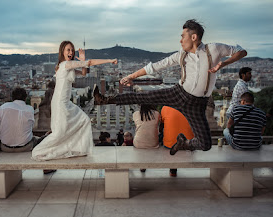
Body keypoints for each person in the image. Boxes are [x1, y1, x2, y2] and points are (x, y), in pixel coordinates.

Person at [93, 19, 247, 155]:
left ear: (193, 37)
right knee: (143, 97)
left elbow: (241, 51)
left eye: (183, 36)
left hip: (197, 103)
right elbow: (156, 66)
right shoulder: (181, 54)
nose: (180, 40)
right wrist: (132, 76)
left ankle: (184, 144)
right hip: (179, 93)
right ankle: (104, 100)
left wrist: (224, 63)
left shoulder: (213, 49)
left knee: (205, 144)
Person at [32, 41, 117, 161]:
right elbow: (90, 63)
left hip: (65, 102)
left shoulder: (66, 65)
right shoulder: (65, 64)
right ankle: (39, 150)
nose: (71, 52)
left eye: (72, 50)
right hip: (60, 102)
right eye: (68, 50)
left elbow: (83, 73)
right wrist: (109, 60)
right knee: (59, 133)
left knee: (84, 120)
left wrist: (82, 60)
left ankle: (80, 149)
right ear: (62, 51)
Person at [0, 87, 37, 152]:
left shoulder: (4, 107)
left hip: (5, 148)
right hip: (25, 147)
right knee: (37, 139)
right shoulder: (30, 109)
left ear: (12, 97)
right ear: (25, 98)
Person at [161, 106, 194, 176]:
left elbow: (161, 125)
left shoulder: (165, 108)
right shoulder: (191, 107)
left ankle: (173, 169)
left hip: (170, 145)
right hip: (189, 143)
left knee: (163, 134)